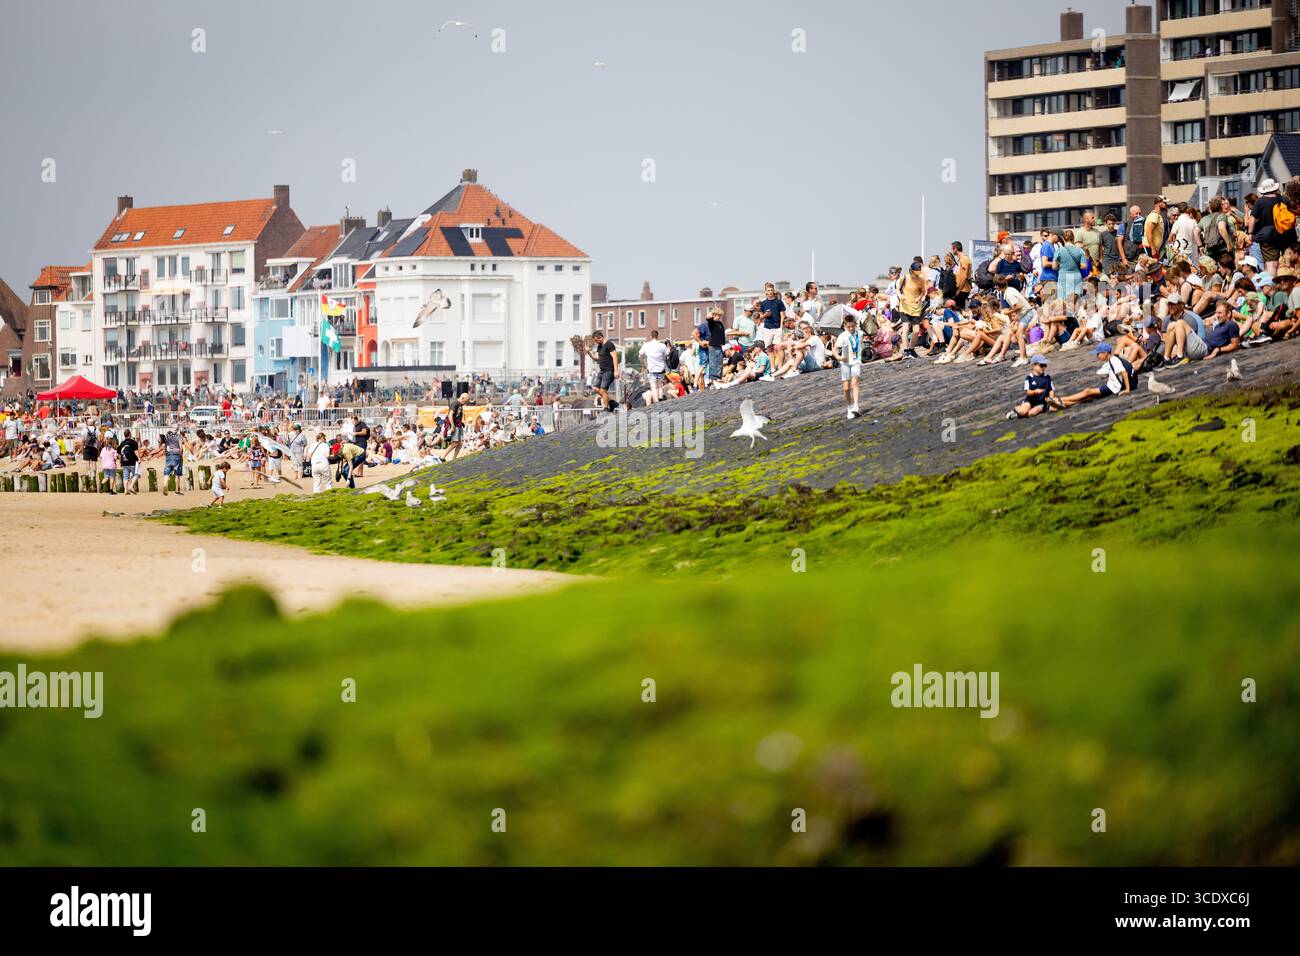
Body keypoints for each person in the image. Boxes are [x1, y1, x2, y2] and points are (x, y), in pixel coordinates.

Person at [1051, 342, 1132, 408]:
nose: (1097, 356)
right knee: (1088, 397)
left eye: (1098, 354)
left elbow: (1124, 372)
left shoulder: (1114, 360)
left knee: (1087, 391)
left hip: (1113, 388)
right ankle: (1064, 403)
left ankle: (1060, 399)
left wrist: (1127, 389)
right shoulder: (1111, 360)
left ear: (1106, 353)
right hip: (1112, 386)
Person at [834, 313, 863, 420]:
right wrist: (838, 357)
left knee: (855, 383)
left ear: (855, 324)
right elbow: (835, 349)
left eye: (852, 326)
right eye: (848, 327)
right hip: (845, 363)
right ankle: (849, 407)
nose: (851, 328)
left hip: (856, 361)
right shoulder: (842, 336)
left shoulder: (860, 333)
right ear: (845, 326)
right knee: (846, 388)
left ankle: (856, 406)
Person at [587, 330, 620, 411]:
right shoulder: (600, 346)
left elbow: (615, 357)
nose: (596, 342)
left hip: (609, 371)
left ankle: (605, 408)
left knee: (603, 389)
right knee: (595, 388)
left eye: (596, 340)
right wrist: (588, 352)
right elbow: (596, 357)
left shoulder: (609, 344)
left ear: (601, 337)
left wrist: (616, 370)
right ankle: (612, 403)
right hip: (602, 371)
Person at [640, 330, 670, 404]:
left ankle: (656, 402)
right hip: (661, 368)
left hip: (651, 368)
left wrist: (643, 364)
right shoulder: (662, 345)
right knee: (660, 385)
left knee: (653, 386)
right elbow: (668, 353)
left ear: (651, 336)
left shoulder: (646, 345)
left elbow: (640, 354)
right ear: (658, 336)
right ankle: (660, 399)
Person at [118, 428, 140, 494]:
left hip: (124, 461)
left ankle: (125, 490)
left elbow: (119, 454)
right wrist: (139, 458)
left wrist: (120, 462)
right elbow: (136, 451)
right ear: (130, 434)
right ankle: (131, 486)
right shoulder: (133, 442)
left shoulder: (121, 443)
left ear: (124, 435)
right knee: (137, 474)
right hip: (132, 461)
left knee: (125, 476)